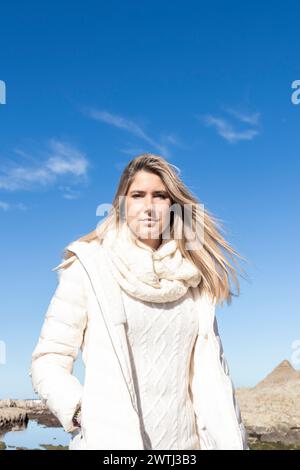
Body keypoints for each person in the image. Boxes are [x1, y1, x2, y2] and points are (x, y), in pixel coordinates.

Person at [29, 153, 249, 450]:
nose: (149, 207)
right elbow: (48, 361)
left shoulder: (193, 278)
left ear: (173, 206)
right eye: (137, 195)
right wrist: (82, 414)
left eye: (160, 196)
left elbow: (213, 375)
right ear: (121, 204)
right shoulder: (89, 267)